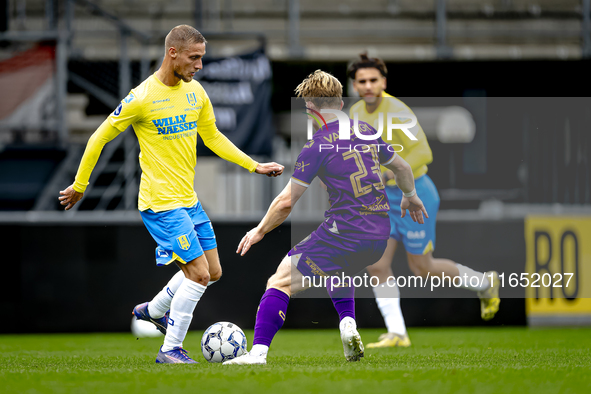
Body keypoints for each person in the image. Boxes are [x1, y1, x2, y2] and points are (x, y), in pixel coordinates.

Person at [58, 25, 284, 364]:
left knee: (214, 271)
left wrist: (254, 165)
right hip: (160, 203)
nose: (200, 66)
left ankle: (154, 309)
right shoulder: (142, 97)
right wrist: (80, 184)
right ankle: (170, 349)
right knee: (199, 275)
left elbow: (214, 138)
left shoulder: (196, 93)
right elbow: (99, 138)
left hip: (188, 200)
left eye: (202, 58)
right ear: (172, 53)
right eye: (194, 58)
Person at [223, 70, 428, 365]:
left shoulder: (316, 145)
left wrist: (259, 231)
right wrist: (411, 196)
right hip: (380, 234)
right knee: (338, 267)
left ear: (310, 108)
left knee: (279, 281)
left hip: (346, 231)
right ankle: (348, 324)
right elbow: (404, 168)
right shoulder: (367, 131)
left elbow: (285, 203)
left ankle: (257, 354)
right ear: (341, 104)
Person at [347, 53, 500, 348]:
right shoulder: (354, 113)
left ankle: (483, 283)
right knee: (376, 264)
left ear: (383, 82)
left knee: (422, 266)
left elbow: (423, 153)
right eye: (362, 81)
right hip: (381, 201)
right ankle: (398, 333)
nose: (367, 86)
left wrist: (387, 175)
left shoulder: (398, 111)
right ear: (355, 85)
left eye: (373, 80)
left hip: (414, 194)